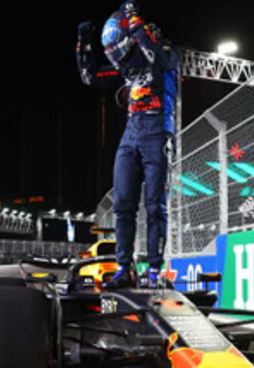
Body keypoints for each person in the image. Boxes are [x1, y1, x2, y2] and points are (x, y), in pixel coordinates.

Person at [76, 1, 180, 289]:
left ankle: (155, 271)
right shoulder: (128, 68)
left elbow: (155, 57)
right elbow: (89, 77)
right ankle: (124, 269)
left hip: (158, 131)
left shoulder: (167, 53)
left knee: (155, 205)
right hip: (132, 131)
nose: (123, 59)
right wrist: (83, 44)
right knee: (122, 205)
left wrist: (133, 19)